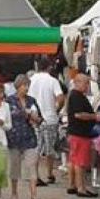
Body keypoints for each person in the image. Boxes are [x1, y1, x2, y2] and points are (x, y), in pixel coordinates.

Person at [6, 74, 42, 199]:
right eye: (24, 85)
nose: (26, 88)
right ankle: (14, 192)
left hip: (29, 137)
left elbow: (39, 118)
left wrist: (35, 118)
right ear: (18, 86)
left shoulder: (32, 101)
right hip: (14, 137)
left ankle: (34, 195)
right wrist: (25, 113)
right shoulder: (10, 100)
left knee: (31, 166)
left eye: (28, 85)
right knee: (14, 167)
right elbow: (9, 115)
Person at [66, 74, 100, 198]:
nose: (88, 86)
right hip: (79, 133)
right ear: (77, 83)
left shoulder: (76, 95)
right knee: (80, 162)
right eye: (86, 83)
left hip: (76, 132)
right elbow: (78, 115)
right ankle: (81, 187)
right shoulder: (76, 96)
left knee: (73, 160)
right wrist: (95, 117)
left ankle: (72, 185)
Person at [30, 57, 64, 186]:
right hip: (50, 118)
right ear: (49, 67)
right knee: (50, 148)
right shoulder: (52, 81)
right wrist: (56, 109)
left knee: (36, 148)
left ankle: (35, 174)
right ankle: (49, 174)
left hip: (35, 118)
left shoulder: (31, 80)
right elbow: (60, 98)